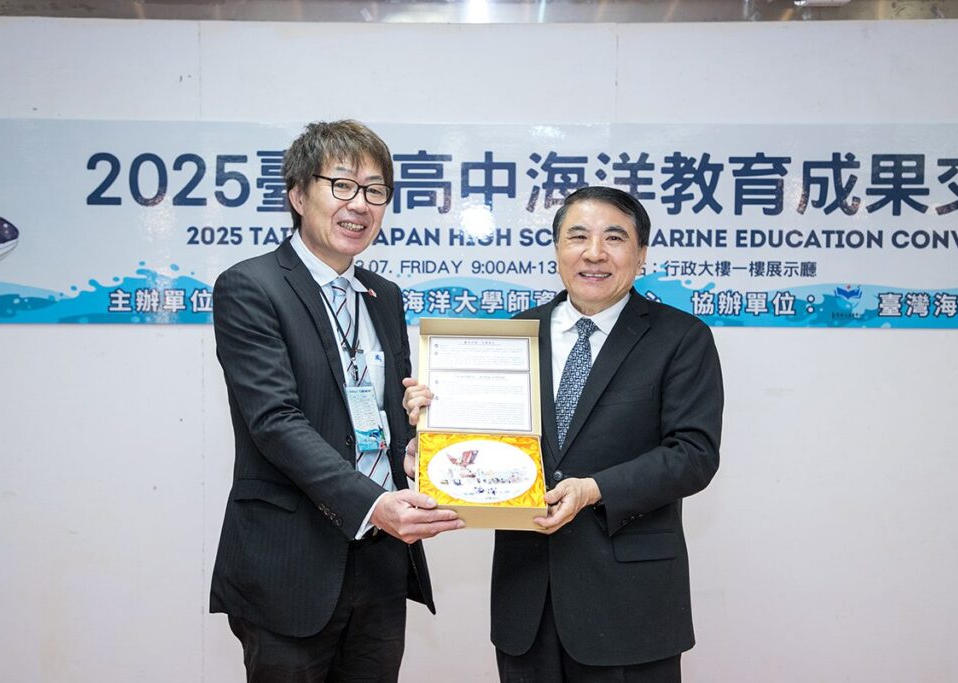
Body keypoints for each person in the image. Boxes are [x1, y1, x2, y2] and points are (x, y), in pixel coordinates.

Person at [404, 186, 723, 682]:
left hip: (630, 605)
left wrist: (594, 489)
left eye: (614, 238)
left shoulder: (680, 338)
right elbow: (489, 447)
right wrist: (433, 438)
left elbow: (693, 455)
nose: (594, 253)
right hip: (527, 602)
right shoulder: (515, 335)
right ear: (557, 249)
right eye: (578, 237)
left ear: (641, 254)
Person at [210, 120, 463, 682]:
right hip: (291, 561)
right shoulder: (251, 287)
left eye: (375, 190)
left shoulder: (383, 295)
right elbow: (274, 422)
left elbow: (378, 411)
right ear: (298, 196)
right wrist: (373, 504)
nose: (360, 204)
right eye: (342, 185)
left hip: (380, 558)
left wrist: (413, 445)